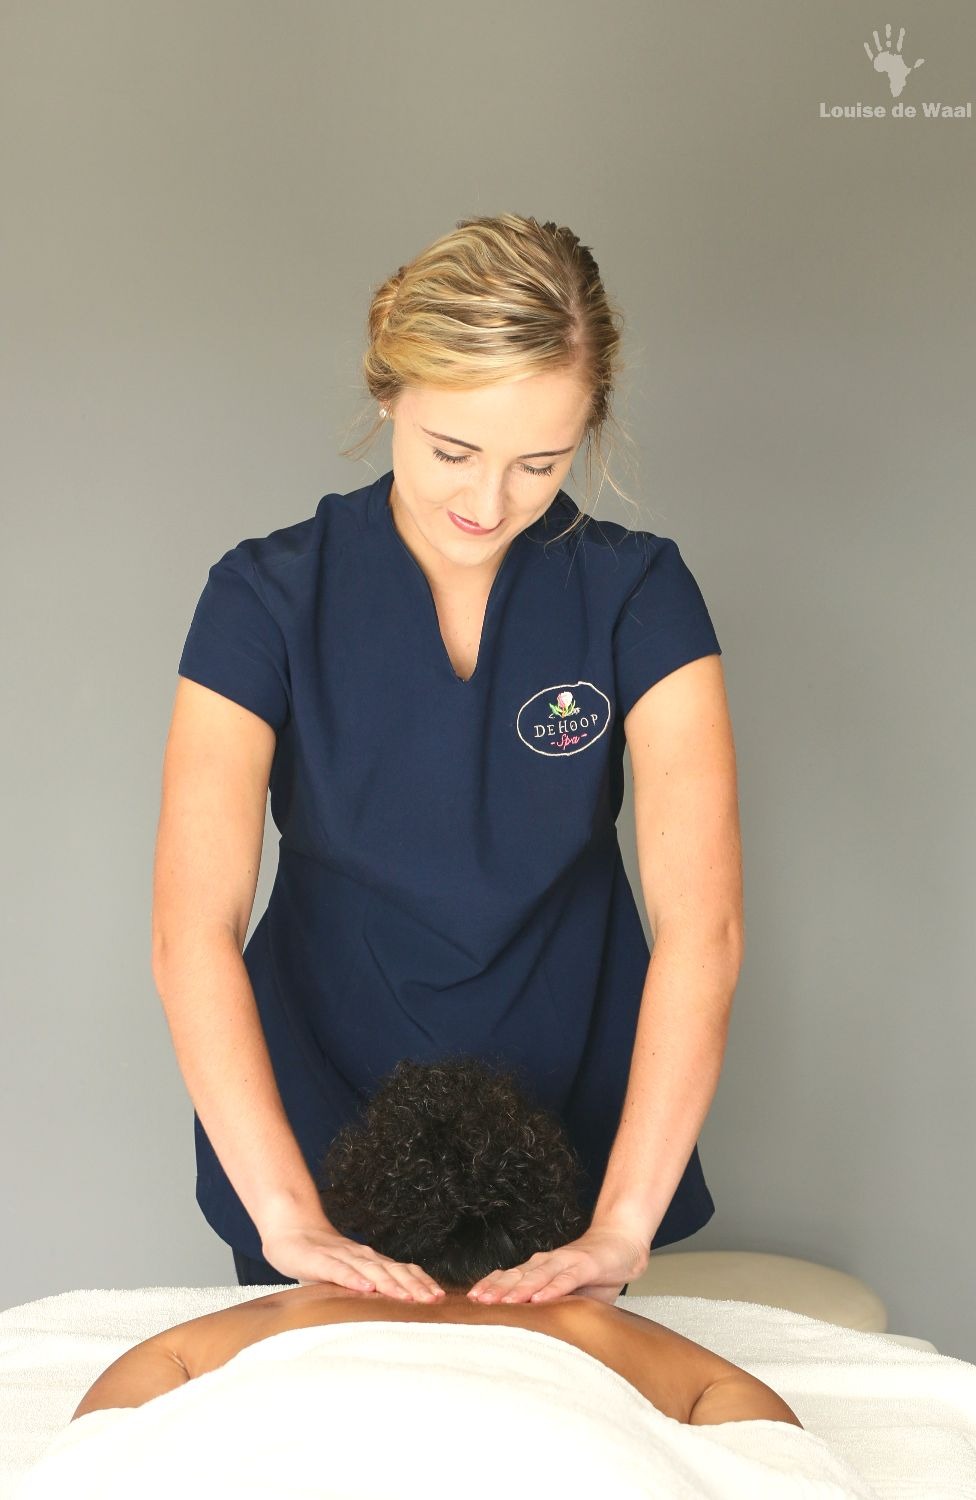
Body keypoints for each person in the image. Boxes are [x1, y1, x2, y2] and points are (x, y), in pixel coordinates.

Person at [151, 212, 743, 1306]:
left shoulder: (638, 594)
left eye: (539, 464)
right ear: (389, 393)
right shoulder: (262, 599)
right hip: (314, 1124)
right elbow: (192, 928)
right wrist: (287, 1212)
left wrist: (620, 1225)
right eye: (451, 452)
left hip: (574, 1127)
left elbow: (701, 928)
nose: (486, 503)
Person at [71, 1058, 798, 1429]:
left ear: (365, 1221)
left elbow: (106, 1427)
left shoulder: (297, 1310)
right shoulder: (587, 1320)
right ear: (549, 1232)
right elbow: (759, 1428)